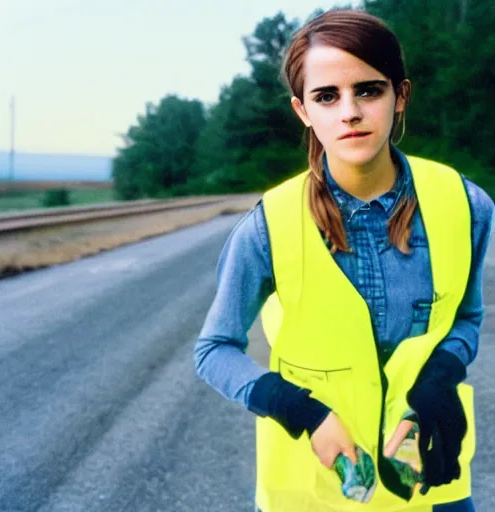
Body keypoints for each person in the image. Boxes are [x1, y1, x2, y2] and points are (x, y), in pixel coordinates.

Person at [194, 8, 494, 512]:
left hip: (428, 479)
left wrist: (441, 374)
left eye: (368, 90)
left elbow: (465, 318)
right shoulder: (269, 226)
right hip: (313, 489)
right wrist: (301, 410)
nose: (349, 111)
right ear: (303, 110)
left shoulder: (466, 205)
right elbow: (214, 350)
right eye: (327, 96)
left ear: (400, 96)